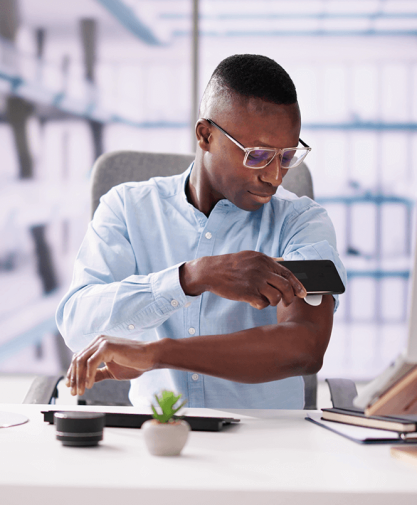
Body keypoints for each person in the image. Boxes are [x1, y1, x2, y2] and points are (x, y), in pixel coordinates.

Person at [55, 54, 346, 409]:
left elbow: (304, 346)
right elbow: (78, 327)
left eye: (287, 156)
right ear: (205, 135)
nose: (274, 176)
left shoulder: (302, 224)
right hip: (159, 441)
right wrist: (191, 277)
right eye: (257, 156)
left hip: (269, 448)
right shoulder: (127, 208)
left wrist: (158, 354)